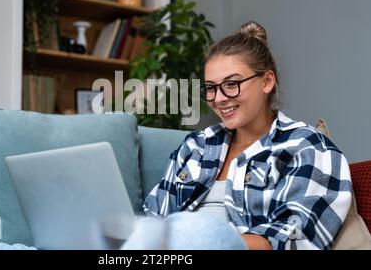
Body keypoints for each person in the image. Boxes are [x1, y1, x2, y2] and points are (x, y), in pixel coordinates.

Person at [135, 21, 353, 250]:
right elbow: (153, 217)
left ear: (267, 81)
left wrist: (199, 243)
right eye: (211, 87)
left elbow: (291, 240)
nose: (218, 98)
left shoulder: (307, 147)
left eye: (231, 84)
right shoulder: (196, 146)